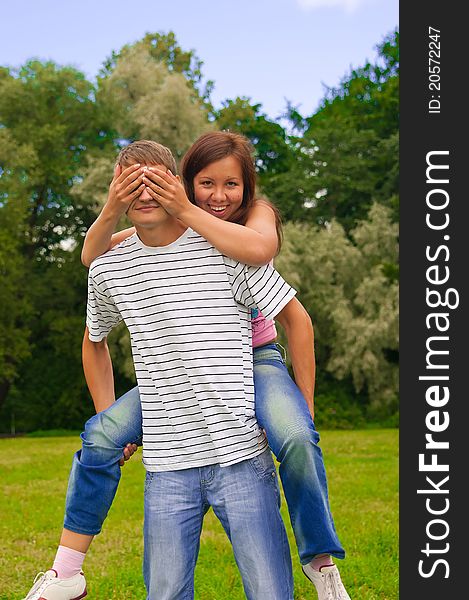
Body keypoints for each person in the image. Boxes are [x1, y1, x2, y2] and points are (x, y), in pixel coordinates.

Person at [23, 133, 350, 600]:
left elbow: (290, 307)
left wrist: (305, 404)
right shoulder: (111, 265)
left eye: (155, 186)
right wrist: (109, 414)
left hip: (248, 409)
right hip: (168, 460)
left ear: (175, 185)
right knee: (100, 434)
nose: (145, 196)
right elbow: (93, 328)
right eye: (132, 189)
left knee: (297, 437)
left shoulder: (234, 241)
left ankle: (321, 563)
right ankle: (67, 571)